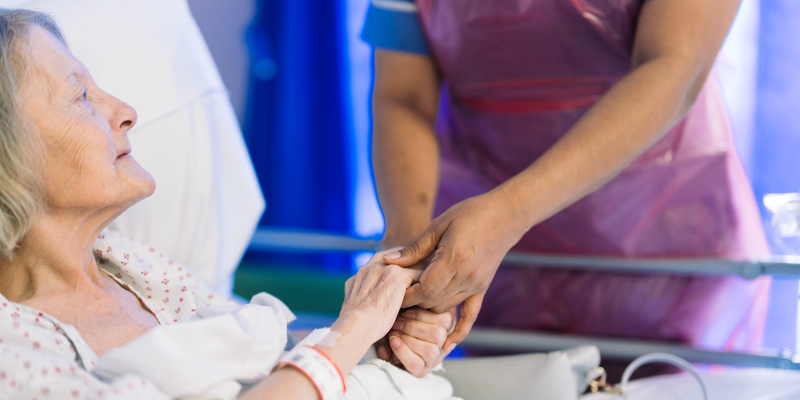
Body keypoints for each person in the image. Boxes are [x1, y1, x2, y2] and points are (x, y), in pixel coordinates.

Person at [0, 9, 451, 399]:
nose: (126, 111)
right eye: (81, 96)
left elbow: (265, 357)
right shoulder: (14, 350)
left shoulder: (131, 264)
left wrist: (382, 336)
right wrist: (356, 326)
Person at [365, 0, 771, 356]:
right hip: (493, 258)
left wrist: (508, 212)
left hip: (667, 246)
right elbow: (405, 97)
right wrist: (409, 257)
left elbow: (675, 66)